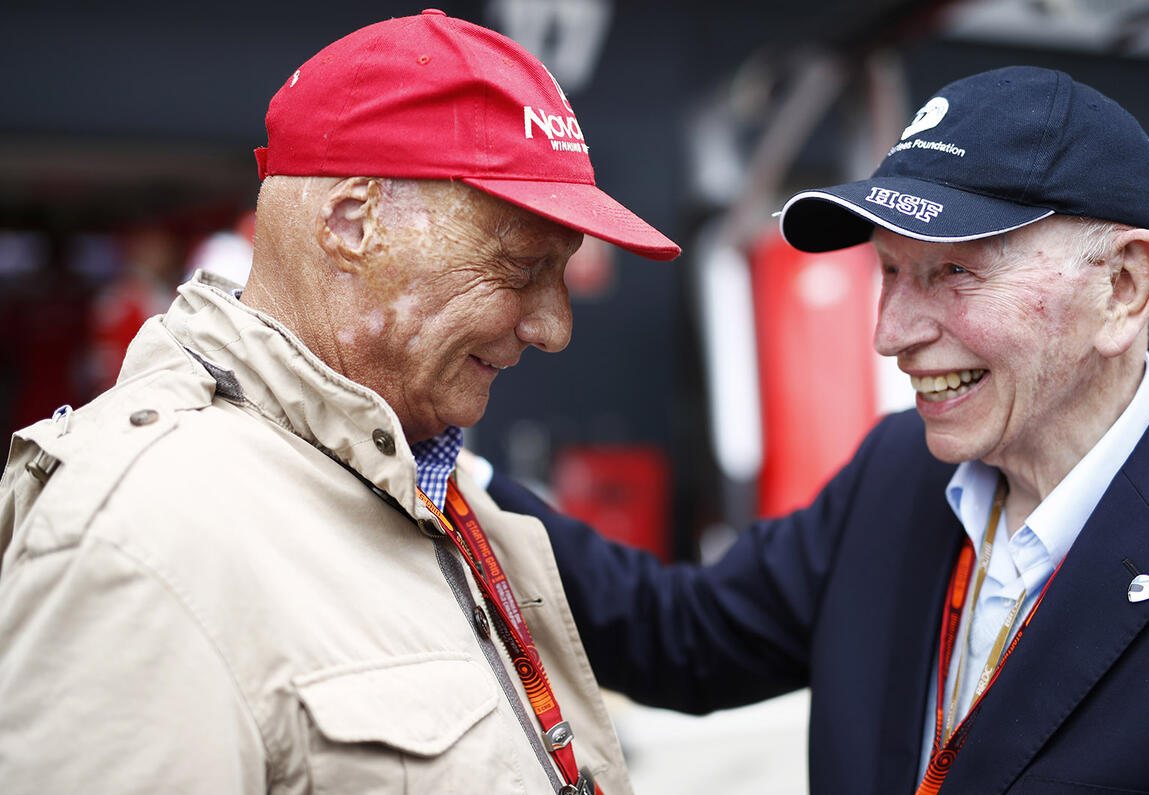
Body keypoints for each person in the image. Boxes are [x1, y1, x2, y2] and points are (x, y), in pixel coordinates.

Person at [0, 11, 678, 795]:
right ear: (352, 222)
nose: (554, 327)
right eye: (523, 264)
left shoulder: (423, 477)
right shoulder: (139, 535)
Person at [486, 66, 1149, 793]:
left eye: (953, 270)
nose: (888, 334)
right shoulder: (899, 470)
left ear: (1123, 286)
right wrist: (455, 479)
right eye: (889, 270)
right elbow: (679, 634)